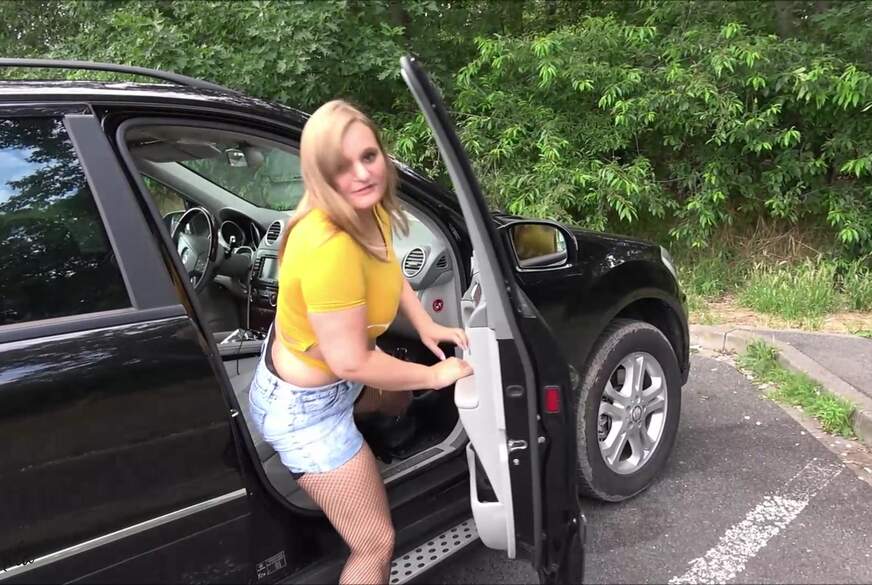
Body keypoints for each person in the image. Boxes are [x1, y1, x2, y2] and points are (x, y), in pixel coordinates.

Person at [247, 99, 473, 585]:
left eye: (369, 156)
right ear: (320, 174)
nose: (363, 173)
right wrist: (435, 374)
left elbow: (387, 265)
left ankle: (385, 436)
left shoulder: (366, 211)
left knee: (397, 397)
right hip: (309, 411)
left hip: (326, 374)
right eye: (342, 166)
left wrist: (425, 324)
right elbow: (352, 361)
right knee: (374, 544)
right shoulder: (329, 247)